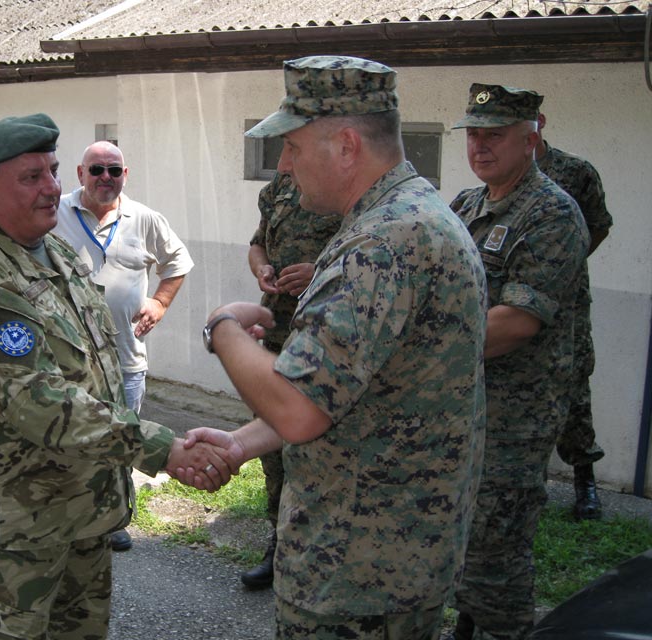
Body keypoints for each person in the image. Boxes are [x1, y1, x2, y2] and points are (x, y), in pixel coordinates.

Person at [184, 56, 488, 639]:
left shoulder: (381, 245)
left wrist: (221, 327)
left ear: (346, 146)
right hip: (392, 559)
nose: (285, 164)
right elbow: (344, 388)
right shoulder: (412, 217)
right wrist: (242, 441)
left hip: (355, 574)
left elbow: (299, 408)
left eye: (294, 146)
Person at [0, 113, 229, 640]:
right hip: (13, 529)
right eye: (31, 177)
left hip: (80, 513)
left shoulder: (55, 251)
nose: (51, 188)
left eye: (54, 171)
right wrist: (163, 449)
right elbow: (40, 401)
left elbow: (93, 367)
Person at [448, 84, 590, 640]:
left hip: (515, 411)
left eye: (496, 135)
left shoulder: (552, 214)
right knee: (460, 529)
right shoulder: (466, 204)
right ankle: (467, 624)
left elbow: (516, 322)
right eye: (474, 135)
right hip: (461, 398)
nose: (480, 147)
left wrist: (420, 348)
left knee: (497, 544)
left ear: (533, 136)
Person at [53, 140, 194, 552]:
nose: (105, 178)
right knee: (68, 437)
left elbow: (178, 262)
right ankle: (67, 515)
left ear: (125, 175)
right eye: (96, 170)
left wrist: (160, 301)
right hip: (68, 358)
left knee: (121, 440)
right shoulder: (55, 212)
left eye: (114, 170)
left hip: (125, 360)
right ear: (80, 175)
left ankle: (114, 518)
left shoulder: (145, 219)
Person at [241, 172, 340, 589]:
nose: (284, 154)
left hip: (327, 332)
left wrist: (320, 270)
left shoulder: (346, 186)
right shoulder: (278, 189)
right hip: (278, 329)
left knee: (323, 444)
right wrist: (262, 267)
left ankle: (324, 552)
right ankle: (279, 546)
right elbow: (257, 243)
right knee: (273, 444)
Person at [535, 110, 613, 521]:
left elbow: (598, 225)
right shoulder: (497, 179)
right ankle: (532, 482)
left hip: (567, 303)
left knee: (574, 388)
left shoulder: (575, 171)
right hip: (516, 300)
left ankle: (586, 483)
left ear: (541, 121)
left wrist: (565, 262)